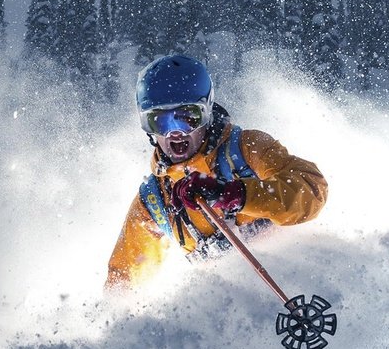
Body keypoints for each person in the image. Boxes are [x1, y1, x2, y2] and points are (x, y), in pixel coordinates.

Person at [106, 54, 328, 289]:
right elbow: (122, 281)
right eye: (159, 121)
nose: (174, 133)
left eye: (187, 117)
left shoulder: (246, 151)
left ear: (207, 112)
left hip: (297, 288)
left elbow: (312, 190)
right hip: (235, 308)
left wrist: (234, 194)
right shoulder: (155, 201)